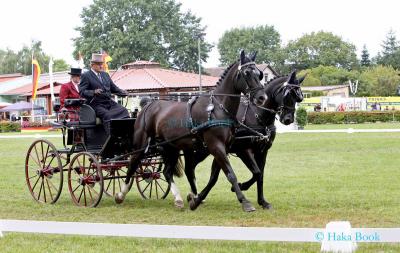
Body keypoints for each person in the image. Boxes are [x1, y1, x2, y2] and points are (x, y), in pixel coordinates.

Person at [79, 53, 129, 135]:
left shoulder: (105, 75)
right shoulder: (86, 76)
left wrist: (122, 92)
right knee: (108, 115)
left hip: (109, 102)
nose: (101, 66)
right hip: (96, 104)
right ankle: (111, 136)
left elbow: (114, 88)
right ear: (92, 65)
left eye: (102, 64)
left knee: (124, 111)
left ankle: (125, 133)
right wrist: (93, 92)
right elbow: (82, 92)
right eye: (98, 64)